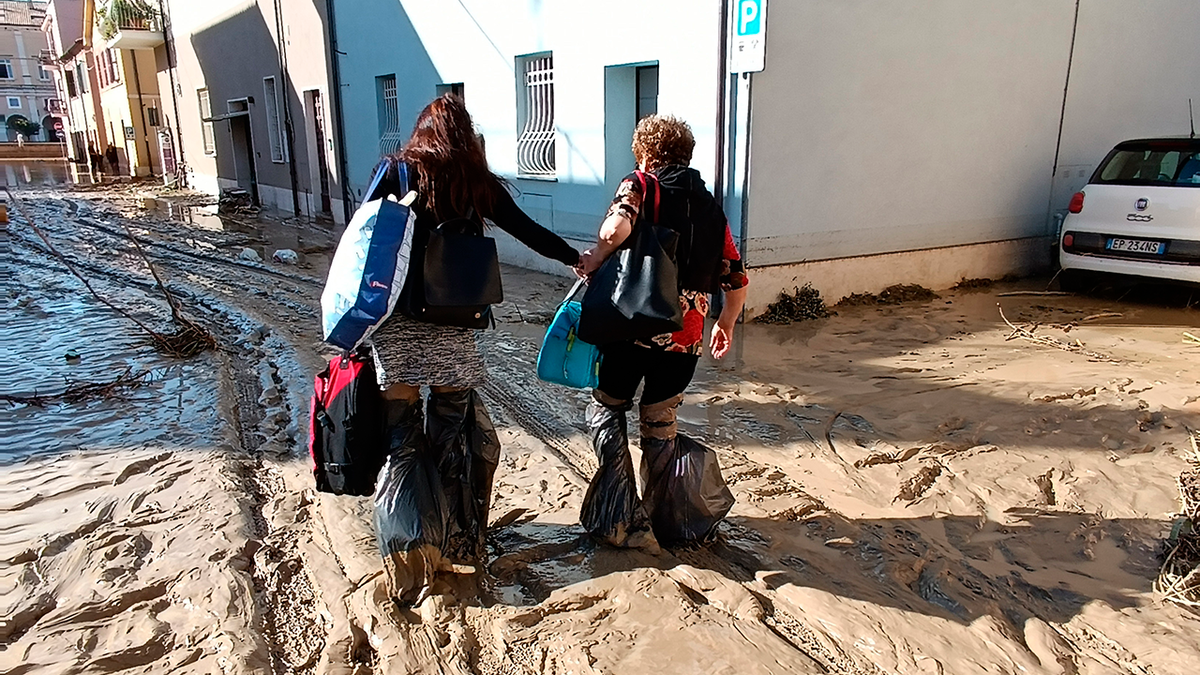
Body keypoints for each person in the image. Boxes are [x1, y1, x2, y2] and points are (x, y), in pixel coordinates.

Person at [367, 94, 580, 592]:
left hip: (396, 321)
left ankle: (409, 543)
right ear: (468, 137)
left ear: (420, 132)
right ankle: (452, 542)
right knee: (449, 435)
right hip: (455, 323)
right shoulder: (477, 185)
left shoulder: (397, 172)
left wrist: (352, 321)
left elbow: (364, 241)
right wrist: (577, 257)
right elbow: (528, 232)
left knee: (400, 437)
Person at [576, 114, 749, 549]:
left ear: (647, 154)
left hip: (633, 327)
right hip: (686, 337)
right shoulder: (712, 208)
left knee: (607, 408)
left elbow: (615, 228)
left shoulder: (641, 183)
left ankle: (620, 519)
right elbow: (738, 280)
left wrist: (598, 252)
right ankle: (669, 520)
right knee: (660, 421)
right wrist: (724, 323)